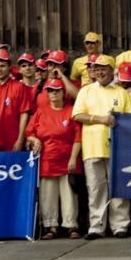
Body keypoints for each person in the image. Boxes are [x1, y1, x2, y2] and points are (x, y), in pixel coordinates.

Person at [72, 55, 131, 240]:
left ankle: (120, 225)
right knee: (96, 188)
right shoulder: (86, 91)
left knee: (118, 187)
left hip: (117, 148)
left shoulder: (121, 93)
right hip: (92, 146)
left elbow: (130, 119)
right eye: (96, 68)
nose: (99, 71)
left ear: (111, 70)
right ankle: (96, 226)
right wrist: (101, 119)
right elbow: (77, 115)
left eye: (103, 68)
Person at [26, 79, 82, 240]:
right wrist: (34, 140)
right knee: (48, 195)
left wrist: (73, 158)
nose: (54, 93)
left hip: (67, 159)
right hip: (47, 160)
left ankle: (71, 225)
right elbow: (29, 132)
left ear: (64, 93)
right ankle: (51, 226)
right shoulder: (40, 112)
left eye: (57, 90)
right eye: (50, 90)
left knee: (69, 195)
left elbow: (78, 137)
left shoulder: (71, 111)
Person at [0, 48, 31, 151]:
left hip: (13, 140)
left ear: (9, 67)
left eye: (2, 66)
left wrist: (20, 139)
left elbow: (24, 114)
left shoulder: (19, 87)